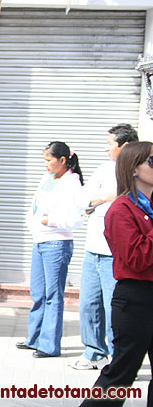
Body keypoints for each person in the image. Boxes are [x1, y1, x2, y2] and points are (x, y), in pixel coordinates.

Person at [80, 141, 153, 406]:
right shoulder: (121, 209)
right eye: (152, 162)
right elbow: (136, 258)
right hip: (135, 298)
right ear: (133, 169)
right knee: (121, 374)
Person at [71, 124, 138, 370]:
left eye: (110, 143)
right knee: (89, 303)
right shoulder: (104, 169)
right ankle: (93, 351)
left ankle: (117, 356)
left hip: (116, 254)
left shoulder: (138, 172)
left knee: (115, 307)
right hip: (93, 248)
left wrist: (104, 200)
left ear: (125, 146)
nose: (106, 147)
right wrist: (102, 198)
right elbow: (82, 200)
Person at [17, 141, 84, 358]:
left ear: (62, 161)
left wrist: (49, 221)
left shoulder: (72, 183)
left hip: (57, 243)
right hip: (40, 241)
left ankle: (49, 345)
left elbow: (76, 219)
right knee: (38, 293)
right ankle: (34, 338)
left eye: (49, 160)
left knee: (53, 295)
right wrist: (33, 222)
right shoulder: (47, 178)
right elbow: (35, 207)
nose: (45, 164)